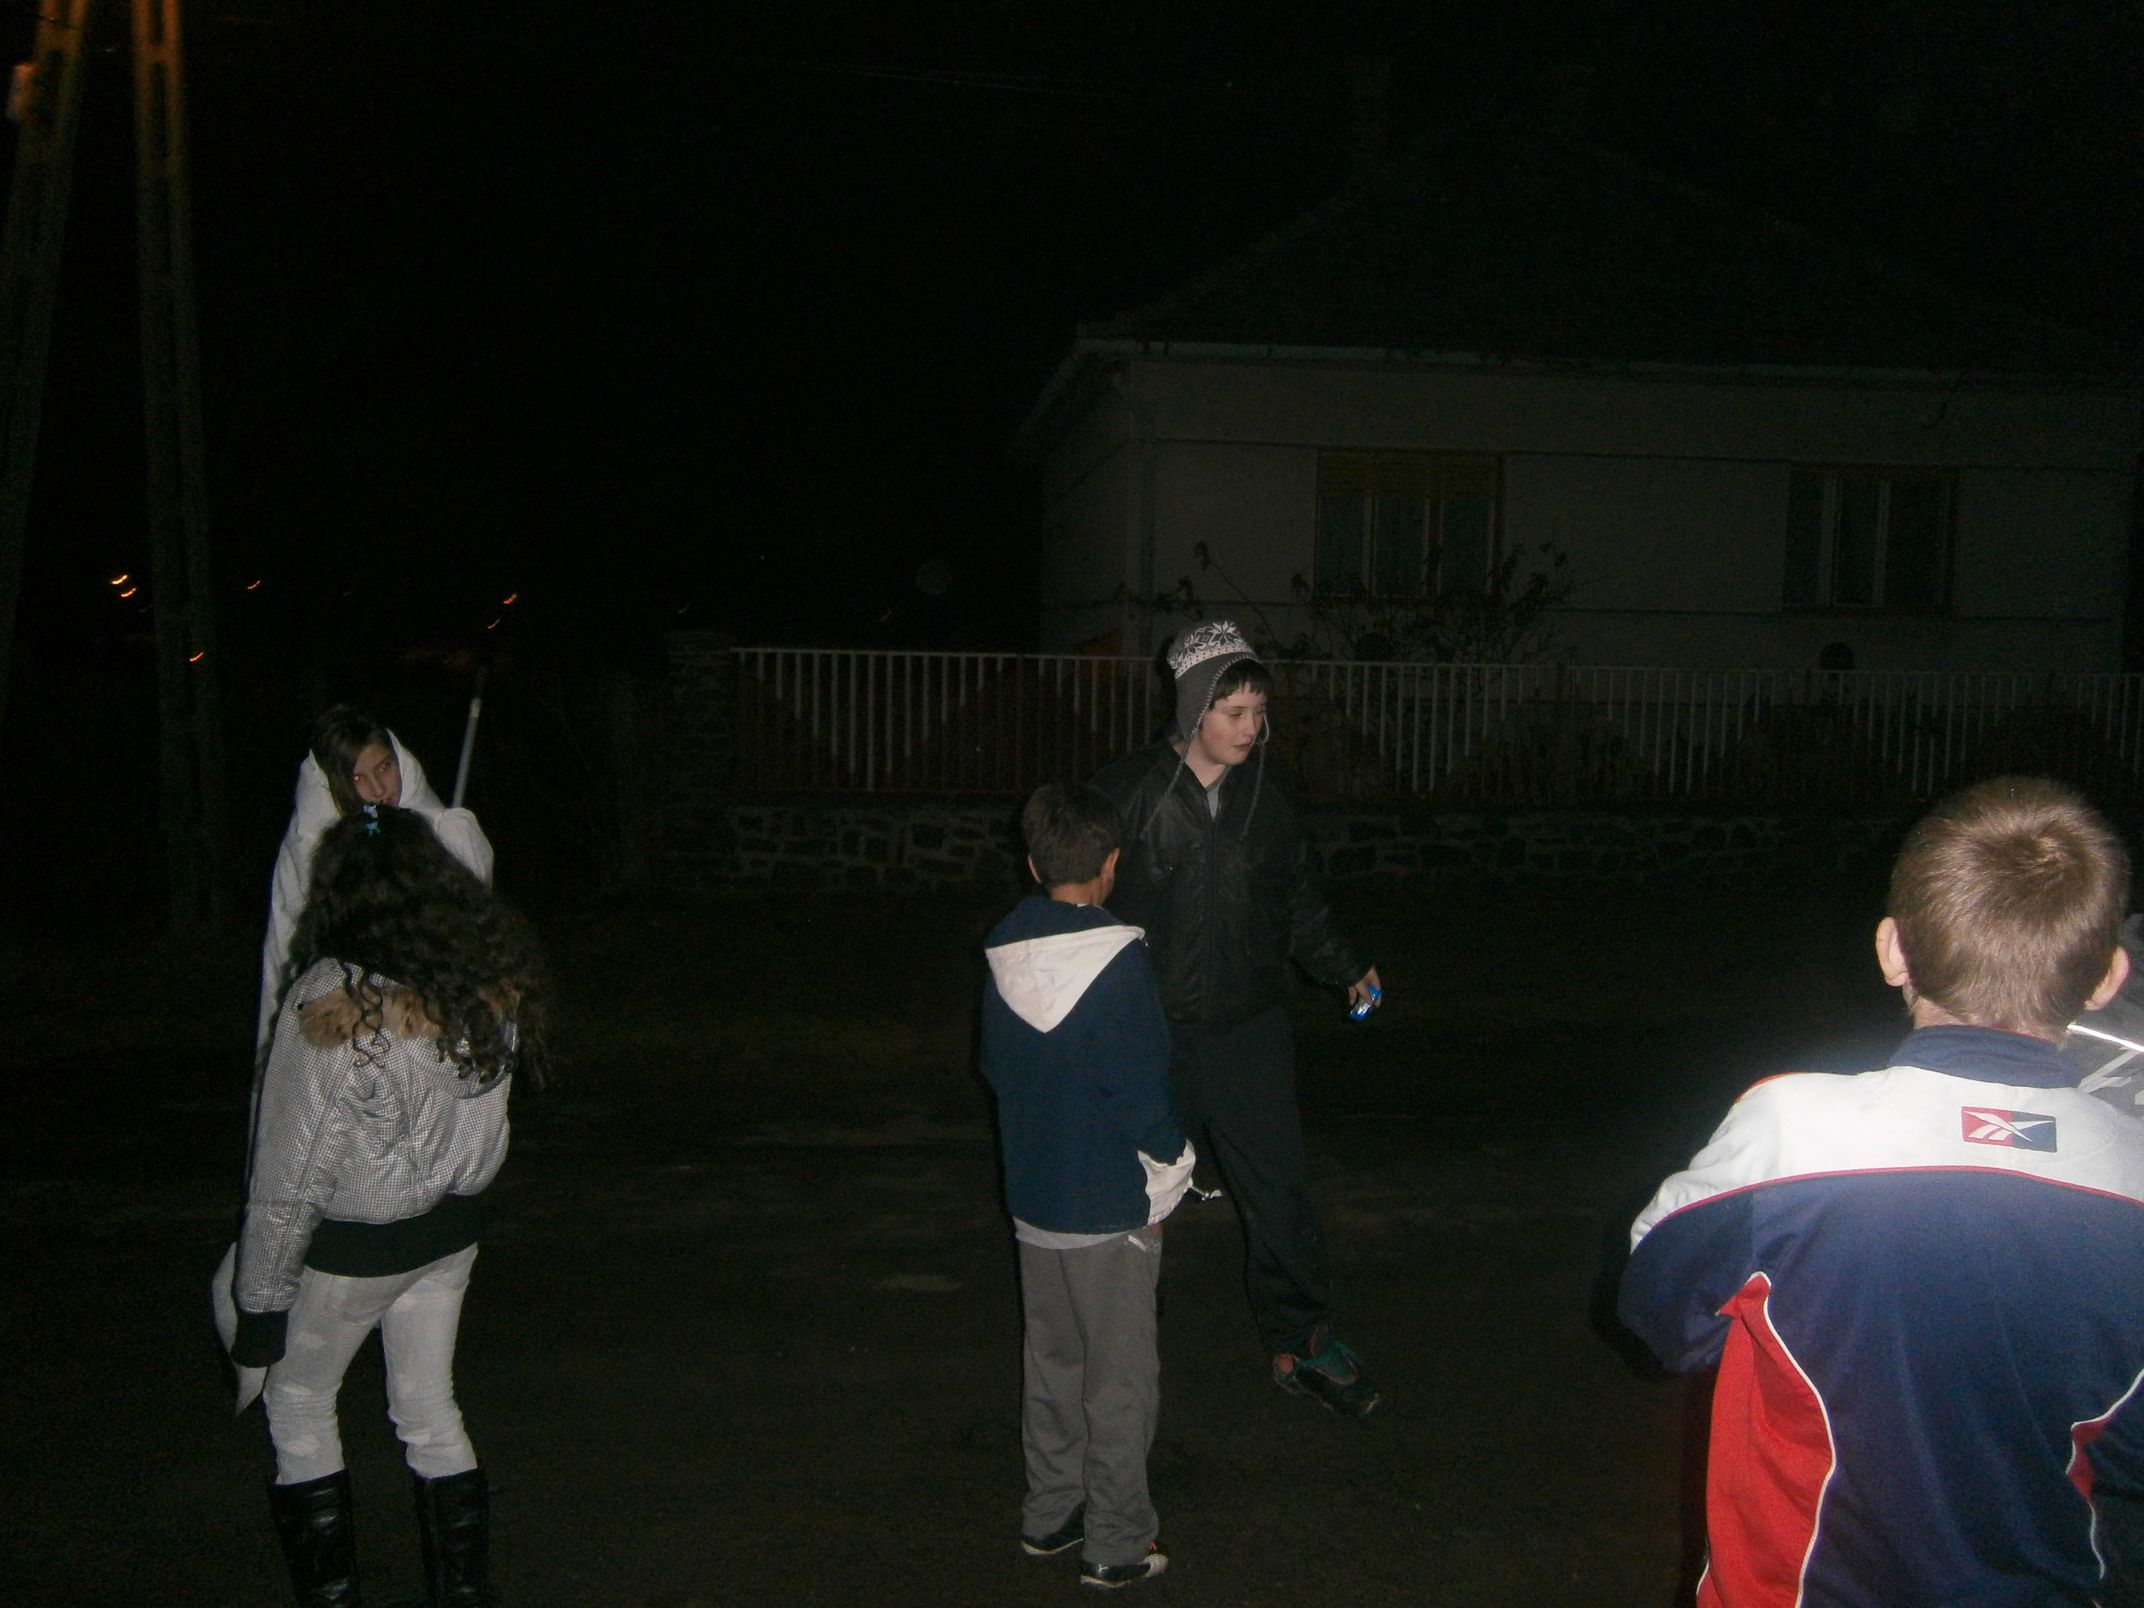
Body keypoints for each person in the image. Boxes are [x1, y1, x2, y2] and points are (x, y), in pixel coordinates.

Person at [1620, 776, 2144, 1607]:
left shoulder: (1789, 1130)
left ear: (1893, 949)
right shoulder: (2132, 1176)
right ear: (2108, 976)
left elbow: (1660, 1315)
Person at [218, 804, 545, 1608]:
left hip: (355, 1253)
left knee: (299, 1403)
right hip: (449, 1240)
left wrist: (259, 1312)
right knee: (429, 1409)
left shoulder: (332, 1005)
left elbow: (289, 1179)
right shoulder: (482, 984)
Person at [1090, 620, 1384, 1418]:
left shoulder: (1269, 790)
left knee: (1280, 1193)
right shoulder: (1129, 793)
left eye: (1259, 712)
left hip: (1249, 1028)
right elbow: (1081, 905)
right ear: (1194, 710)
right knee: (1132, 1200)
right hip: (1153, 1037)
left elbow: (1298, 898)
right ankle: (1119, 1347)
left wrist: (1344, 963)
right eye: (1234, 712)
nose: (1252, 728)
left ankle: (1302, 1343)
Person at [982, 784, 1194, 1590]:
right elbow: (1141, 1087)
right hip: (1107, 1204)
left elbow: (996, 1068)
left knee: (1054, 1364)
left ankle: (1051, 1512)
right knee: (1120, 1380)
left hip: (1035, 1200)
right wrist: (1173, 1167)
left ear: (1035, 866)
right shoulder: (1117, 961)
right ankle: (1116, 1539)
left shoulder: (1003, 953)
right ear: (1111, 863)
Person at [257, 704, 494, 1045]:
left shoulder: (444, 833)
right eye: (357, 778)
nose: (379, 788)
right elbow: (288, 950)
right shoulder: (315, 853)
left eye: (384, 767)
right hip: (344, 1024)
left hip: (426, 1018)